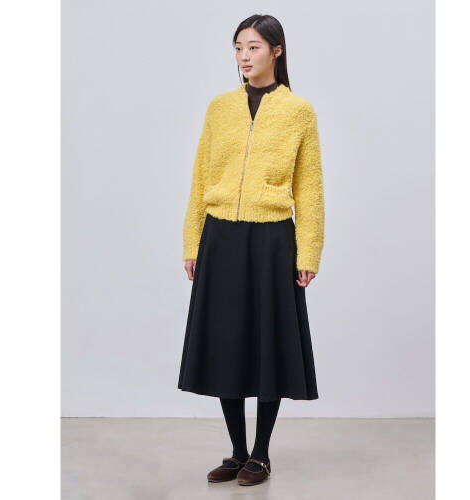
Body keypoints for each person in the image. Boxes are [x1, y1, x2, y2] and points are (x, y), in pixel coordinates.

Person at [178, 14, 325, 486]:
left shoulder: (299, 112)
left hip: (272, 240)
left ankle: (261, 453)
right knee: (227, 340)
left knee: (268, 342)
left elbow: (309, 187)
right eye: (239, 47)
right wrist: (192, 241)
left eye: (254, 47)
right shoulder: (220, 107)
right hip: (220, 236)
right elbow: (201, 177)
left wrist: (308, 253)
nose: (244, 56)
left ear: (276, 51)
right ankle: (237, 452)